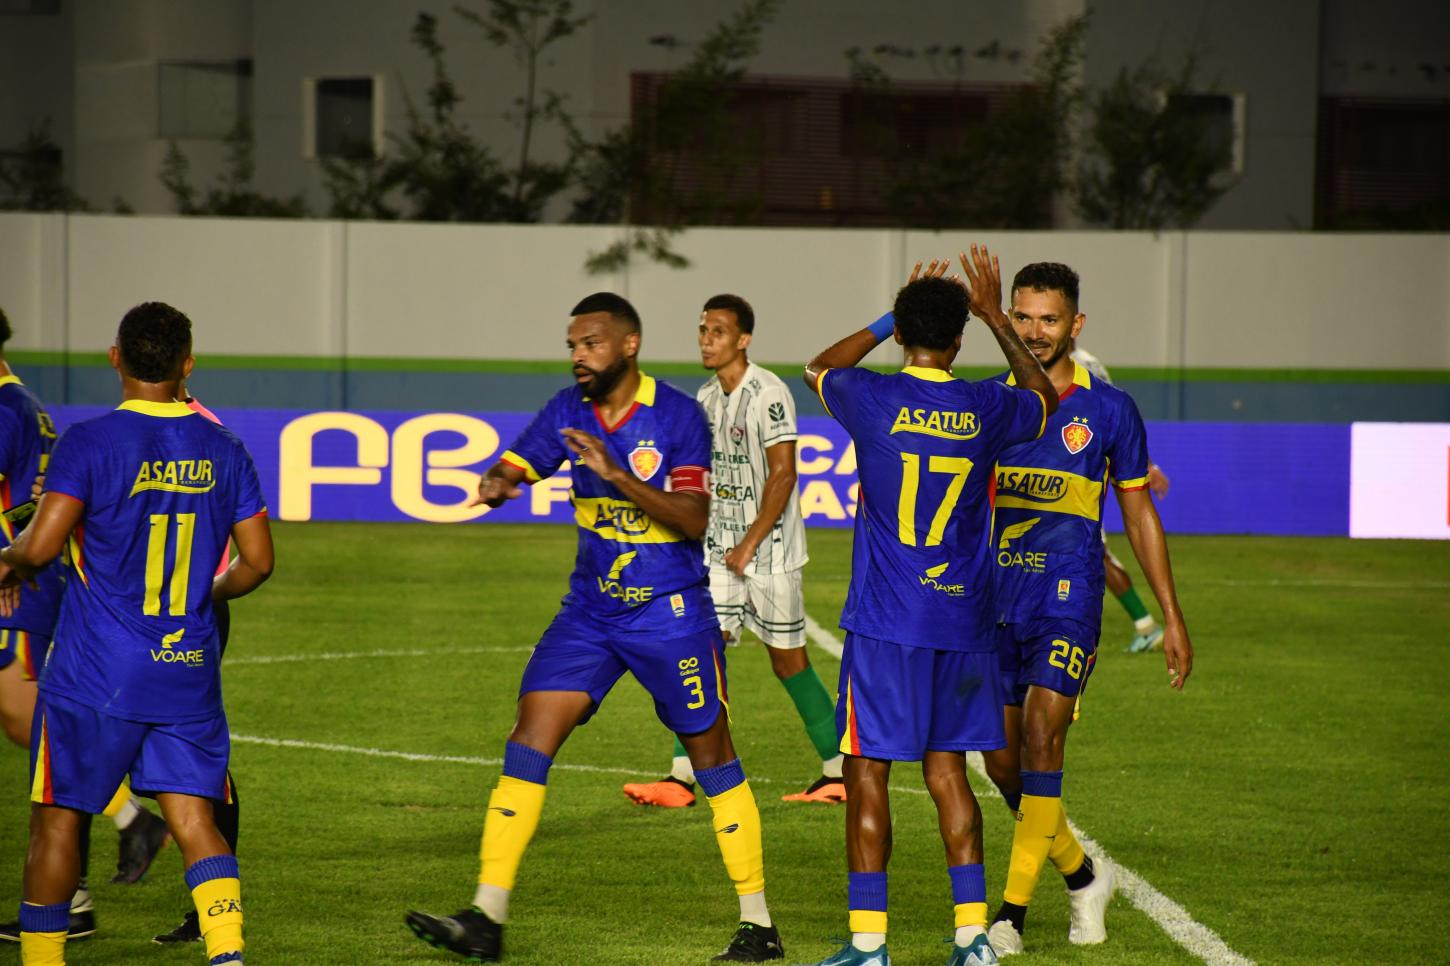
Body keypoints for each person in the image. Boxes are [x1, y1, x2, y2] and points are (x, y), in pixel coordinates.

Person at [405, 293, 783, 963]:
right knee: (529, 735)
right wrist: (498, 481)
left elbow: (693, 519)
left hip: (669, 612)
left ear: (629, 345)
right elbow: (519, 464)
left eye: (592, 343)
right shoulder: (565, 410)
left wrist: (614, 474)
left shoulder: (676, 417)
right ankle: (486, 916)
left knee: (712, 757)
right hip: (591, 612)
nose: (579, 355)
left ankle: (759, 924)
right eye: (573, 344)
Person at [800, 246, 1058, 966]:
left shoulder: (872, 397)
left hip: (887, 625)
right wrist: (995, 313)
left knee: (866, 775)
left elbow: (817, 367)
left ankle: (868, 944)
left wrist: (893, 312)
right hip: (964, 623)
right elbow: (1044, 398)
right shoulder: (984, 404)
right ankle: (973, 938)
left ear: (906, 332)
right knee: (948, 774)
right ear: (960, 339)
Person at [0, 301, 274, 966]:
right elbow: (259, 562)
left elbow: (39, 547)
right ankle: (228, 956)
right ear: (187, 364)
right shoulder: (225, 447)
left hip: (95, 671)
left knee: (58, 820)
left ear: (115, 357)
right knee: (194, 821)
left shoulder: (90, 442)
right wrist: (205, 597)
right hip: (185, 666)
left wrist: (9, 562)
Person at [981, 263, 1194, 956]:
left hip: (1067, 598)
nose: (1034, 331)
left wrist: (1170, 614)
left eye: (1048, 319)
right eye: (1022, 317)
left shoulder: (1109, 410)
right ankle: (1082, 875)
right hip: (994, 600)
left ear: (1076, 325)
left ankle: (1009, 915)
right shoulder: (987, 402)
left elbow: (1139, 514)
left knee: (1044, 741)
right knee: (1002, 766)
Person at [623, 293, 842, 808]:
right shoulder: (704, 398)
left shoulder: (768, 393)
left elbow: (784, 473)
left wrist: (750, 543)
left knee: (789, 664)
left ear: (743, 339)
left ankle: (837, 771)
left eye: (718, 331)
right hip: (719, 554)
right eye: (702, 330)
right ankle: (681, 779)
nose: (706, 339)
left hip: (770, 555)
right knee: (697, 653)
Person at [0, 308, 172, 949]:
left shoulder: (8, 408)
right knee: (36, 730)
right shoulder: (25, 405)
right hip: (27, 579)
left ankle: (128, 821)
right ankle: (73, 891)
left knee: (32, 723)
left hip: (17, 586)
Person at [151, 384, 245, 946]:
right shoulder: (137, 429)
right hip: (151, 613)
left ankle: (210, 905)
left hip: (188, 610)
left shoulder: (207, 434)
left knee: (190, 758)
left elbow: (252, 552)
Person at [1069, 344, 1171, 653]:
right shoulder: (1083, 362)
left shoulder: (1083, 367)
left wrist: (1146, 465)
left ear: (1074, 323)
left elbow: (1113, 420)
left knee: (1095, 552)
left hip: (1081, 477)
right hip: (1073, 473)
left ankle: (1146, 625)